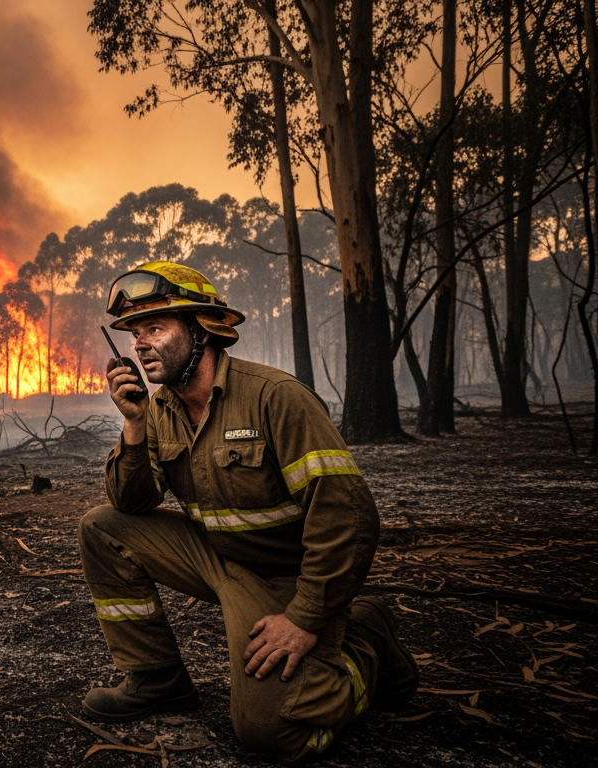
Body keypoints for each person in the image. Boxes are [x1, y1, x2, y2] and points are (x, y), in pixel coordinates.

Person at [78, 261, 417, 761]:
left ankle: (366, 649)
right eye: (134, 333)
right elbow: (133, 504)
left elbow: (349, 516)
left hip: (286, 579)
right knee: (102, 528)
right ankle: (158, 679)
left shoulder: (276, 398)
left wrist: (304, 618)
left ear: (202, 329)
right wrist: (133, 425)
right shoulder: (161, 409)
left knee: (272, 733)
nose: (139, 344)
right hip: (217, 560)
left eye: (155, 328)